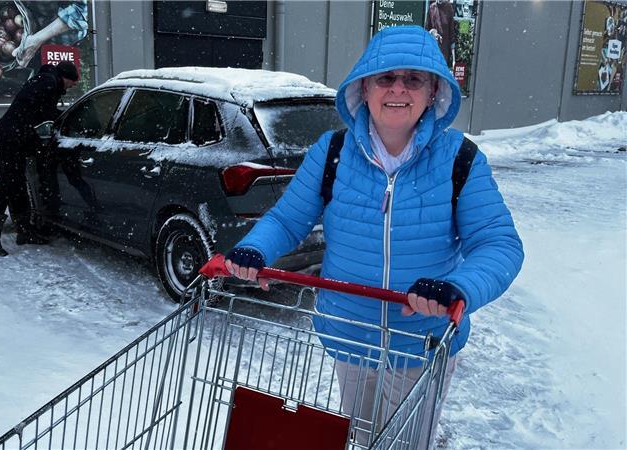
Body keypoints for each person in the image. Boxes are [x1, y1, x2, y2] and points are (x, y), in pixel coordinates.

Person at [224, 25, 523, 448]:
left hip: (421, 342)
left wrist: (456, 287)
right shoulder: (331, 152)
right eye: (385, 77)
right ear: (364, 88)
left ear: (432, 91)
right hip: (349, 335)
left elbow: (499, 243)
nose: (398, 88)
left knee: (403, 443)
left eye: (413, 79)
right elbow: (288, 219)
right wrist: (255, 247)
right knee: (362, 435)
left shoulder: (460, 158)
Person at [0, 61, 79, 256]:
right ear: (65, 77)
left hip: (16, 135)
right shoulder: (48, 83)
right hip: (12, 137)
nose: (72, 85)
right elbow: (45, 114)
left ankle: (24, 231)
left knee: (16, 183)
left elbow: (38, 112)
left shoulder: (46, 80)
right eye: (72, 82)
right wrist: (70, 117)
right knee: (8, 182)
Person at [426, 0, 456, 68]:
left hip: (444, 51)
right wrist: (433, 33)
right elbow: (427, 29)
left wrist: (454, 60)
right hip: (433, 49)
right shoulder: (432, 8)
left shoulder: (448, 8)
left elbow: (452, 33)